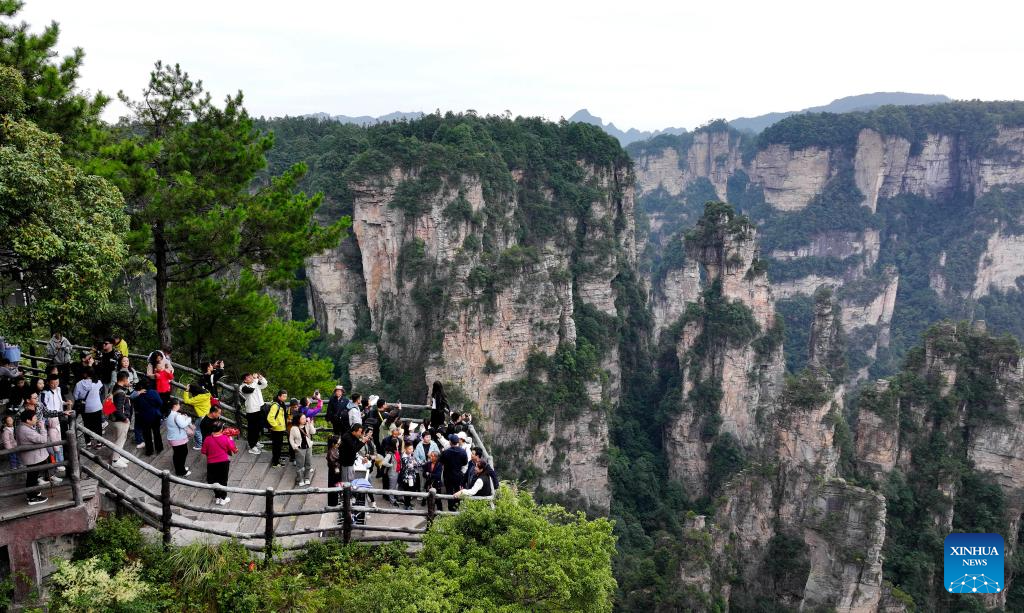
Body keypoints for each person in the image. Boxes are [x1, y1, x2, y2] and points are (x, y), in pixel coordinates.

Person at [17, 410, 52, 505]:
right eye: (34, 417)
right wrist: (42, 427)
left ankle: (32, 493)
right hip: (33, 457)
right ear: (28, 420)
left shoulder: (23, 427)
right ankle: (32, 497)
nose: (36, 419)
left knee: (33, 476)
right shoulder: (26, 430)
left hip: (33, 456)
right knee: (32, 477)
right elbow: (43, 439)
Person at [201, 421, 237, 505]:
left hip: (211, 463)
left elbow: (203, 451)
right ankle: (223, 498)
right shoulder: (225, 438)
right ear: (221, 429)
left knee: (214, 480)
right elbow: (234, 449)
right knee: (223, 480)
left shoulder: (207, 439)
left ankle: (217, 497)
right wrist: (231, 439)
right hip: (223, 463)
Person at [73, 368, 105, 446]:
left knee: (86, 425)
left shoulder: (78, 384)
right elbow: (101, 390)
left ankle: (88, 443)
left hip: (85, 408)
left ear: (85, 374)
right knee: (98, 425)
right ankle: (99, 443)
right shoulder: (98, 382)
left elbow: (75, 396)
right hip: (97, 407)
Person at [238, 372, 268, 454]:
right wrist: (255, 380)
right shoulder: (243, 387)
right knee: (252, 429)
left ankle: (255, 441)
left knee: (258, 427)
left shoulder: (255, 384)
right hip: (252, 411)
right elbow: (250, 390)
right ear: (245, 380)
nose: (251, 378)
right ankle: (252, 446)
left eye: (251, 376)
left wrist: (261, 378)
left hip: (259, 408)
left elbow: (264, 385)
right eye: (249, 377)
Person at [133, 379, 164, 456]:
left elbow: (136, 406)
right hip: (155, 415)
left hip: (144, 416)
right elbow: (160, 403)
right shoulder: (154, 392)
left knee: (147, 434)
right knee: (156, 432)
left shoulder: (138, 395)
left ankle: (149, 451)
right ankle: (159, 448)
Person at [166, 399, 193, 478]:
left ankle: (180, 468)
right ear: (175, 406)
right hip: (178, 439)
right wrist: (189, 419)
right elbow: (183, 425)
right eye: (178, 404)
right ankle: (181, 471)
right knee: (182, 454)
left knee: (177, 454)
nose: (179, 406)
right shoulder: (176, 415)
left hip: (173, 438)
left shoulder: (169, 413)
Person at [440, 434, 468, 511]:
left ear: (450, 442)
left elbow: (441, 461)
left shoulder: (446, 452)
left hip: (447, 475)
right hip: (458, 475)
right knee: (457, 490)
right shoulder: (463, 452)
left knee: (449, 491)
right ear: (458, 442)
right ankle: (457, 506)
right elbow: (465, 463)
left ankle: (450, 508)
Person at [183, 383, 212, 451]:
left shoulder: (198, 398)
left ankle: (199, 445)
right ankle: (207, 443)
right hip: (207, 414)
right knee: (203, 430)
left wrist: (186, 391)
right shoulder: (206, 393)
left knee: (196, 430)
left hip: (202, 416)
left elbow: (187, 401)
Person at [289, 412, 316, 486]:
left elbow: (313, 432)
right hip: (300, 449)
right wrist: (294, 447)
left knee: (308, 463)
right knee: (300, 465)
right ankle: (300, 479)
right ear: (298, 420)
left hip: (308, 447)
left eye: (305, 418)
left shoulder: (307, 425)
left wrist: (310, 423)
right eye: (303, 418)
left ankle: (307, 478)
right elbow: (291, 439)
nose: (304, 420)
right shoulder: (294, 428)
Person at [267, 390, 288, 468]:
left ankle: (277, 459)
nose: (285, 398)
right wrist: (275, 425)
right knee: (276, 446)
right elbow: (270, 418)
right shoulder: (275, 405)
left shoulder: (281, 404)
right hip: (276, 430)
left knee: (278, 446)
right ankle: (275, 463)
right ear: (279, 396)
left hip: (280, 429)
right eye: (283, 396)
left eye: (286, 396)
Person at [397, 443, 420, 510]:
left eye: (412, 448)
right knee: (407, 491)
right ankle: (407, 505)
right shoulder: (404, 457)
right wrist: (414, 463)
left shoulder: (410, 455)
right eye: (409, 449)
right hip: (406, 477)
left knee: (410, 490)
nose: (411, 450)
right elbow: (410, 466)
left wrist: (415, 463)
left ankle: (408, 503)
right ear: (405, 449)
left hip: (411, 476)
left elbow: (416, 464)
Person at [326, 435, 341, 507]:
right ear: (333, 444)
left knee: (335, 486)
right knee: (333, 486)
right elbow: (333, 463)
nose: (339, 445)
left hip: (335, 470)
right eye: (338, 443)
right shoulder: (331, 452)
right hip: (334, 471)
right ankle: (333, 503)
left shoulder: (335, 449)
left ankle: (334, 502)